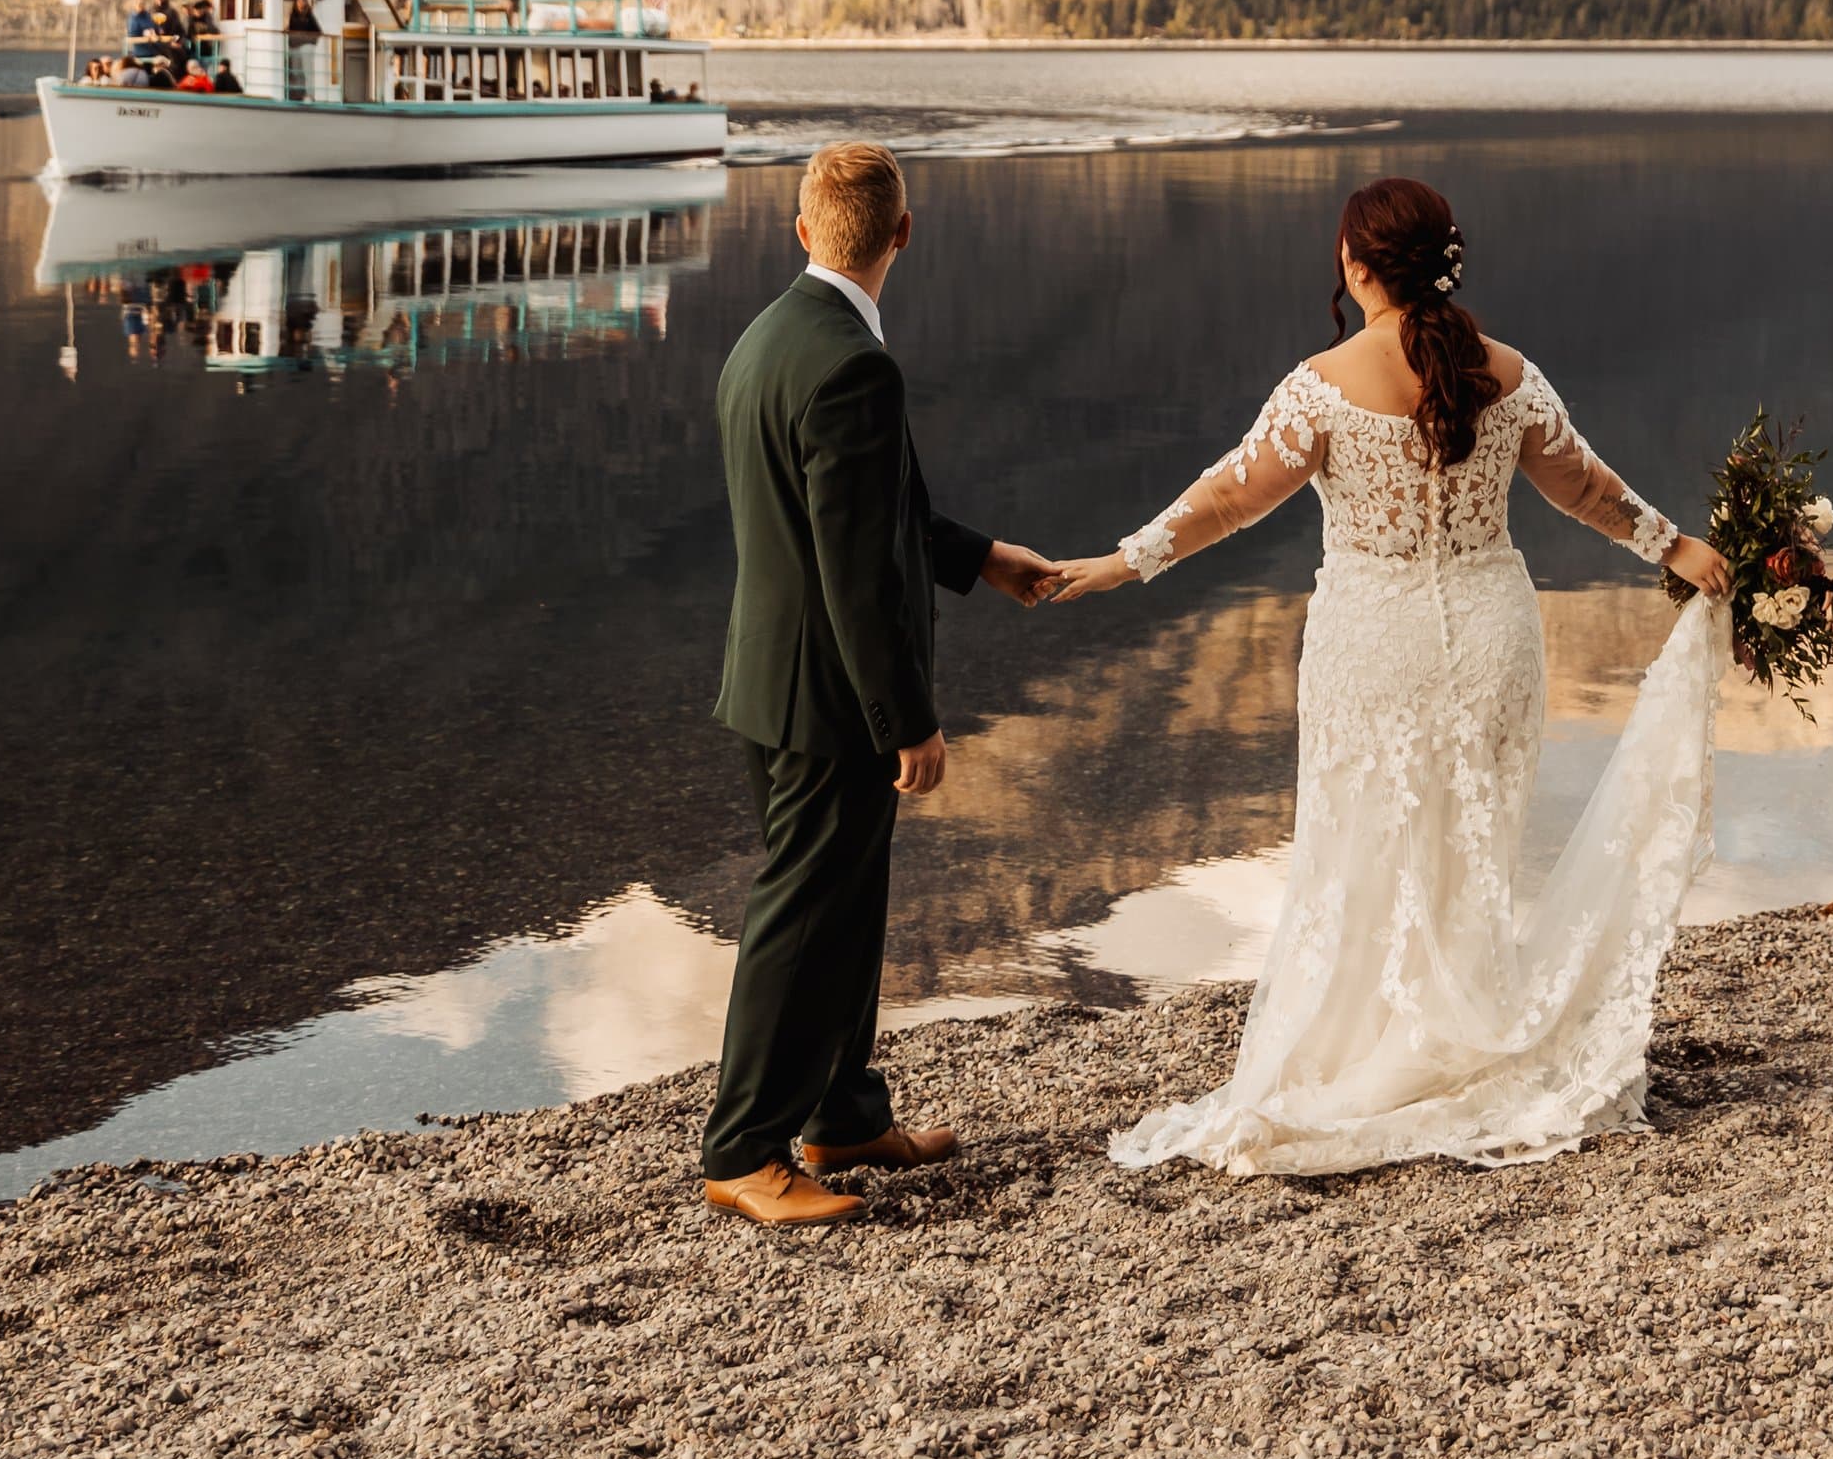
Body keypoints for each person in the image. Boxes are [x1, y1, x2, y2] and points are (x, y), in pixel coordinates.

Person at [1042, 173, 1732, 1178]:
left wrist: (1126, 558)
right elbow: (1583, 487)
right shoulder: (1507, 371)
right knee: (1471, 842)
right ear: (1444, 262)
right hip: (1492, 634)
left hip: (1372, 641)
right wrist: (1675, 549)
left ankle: (1380, 1047)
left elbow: (1232, 497)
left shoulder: (1323, 384)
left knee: (1360, 842)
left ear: (1355, 266)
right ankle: (1458, 1031)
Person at [700, 141, 1057, 1230]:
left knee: (846, 910)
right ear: (903, 233)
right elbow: (852, 569)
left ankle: (845, 1117)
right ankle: (743, 1152)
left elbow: (858, 513)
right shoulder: (856, 365)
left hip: (774, 682)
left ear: (803, 230)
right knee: (802, 916)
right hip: (830, 699)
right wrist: (906, 720)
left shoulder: (767, 338)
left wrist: (979, 556)